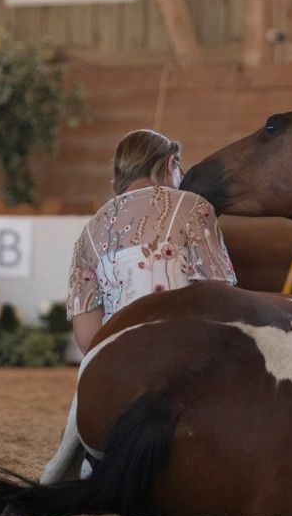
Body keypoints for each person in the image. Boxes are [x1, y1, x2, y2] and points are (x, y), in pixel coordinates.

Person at [67, 128, 236, 355]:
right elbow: (220, 298)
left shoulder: (89, 232)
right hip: (181, 355)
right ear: (170, 164)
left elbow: (88, 337)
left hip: (116, 362)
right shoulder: (193, 206)